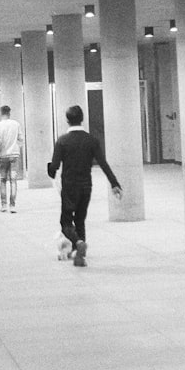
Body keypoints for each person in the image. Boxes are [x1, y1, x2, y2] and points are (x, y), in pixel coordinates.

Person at [47, 105, 122, 267]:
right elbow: (103, 163)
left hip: (69, 186)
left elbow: (54, 166)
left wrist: (50, 171)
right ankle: (79, 255)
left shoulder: (62, 141)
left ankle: (78, 243)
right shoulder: (91, 140)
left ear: (67, 120)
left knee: (66, 222)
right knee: (80, 219)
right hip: (86, 186)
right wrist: (114, 183)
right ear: (82, 119)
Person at [0, 105, 24, 213]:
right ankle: (13, 205)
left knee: (3, 180)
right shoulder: (16, 124)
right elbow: (21, 139)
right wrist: (17, 146)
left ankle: (4, 205)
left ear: (1, 113)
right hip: (14, 155)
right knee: (13, 181)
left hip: (3, 156)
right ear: (9, 113)